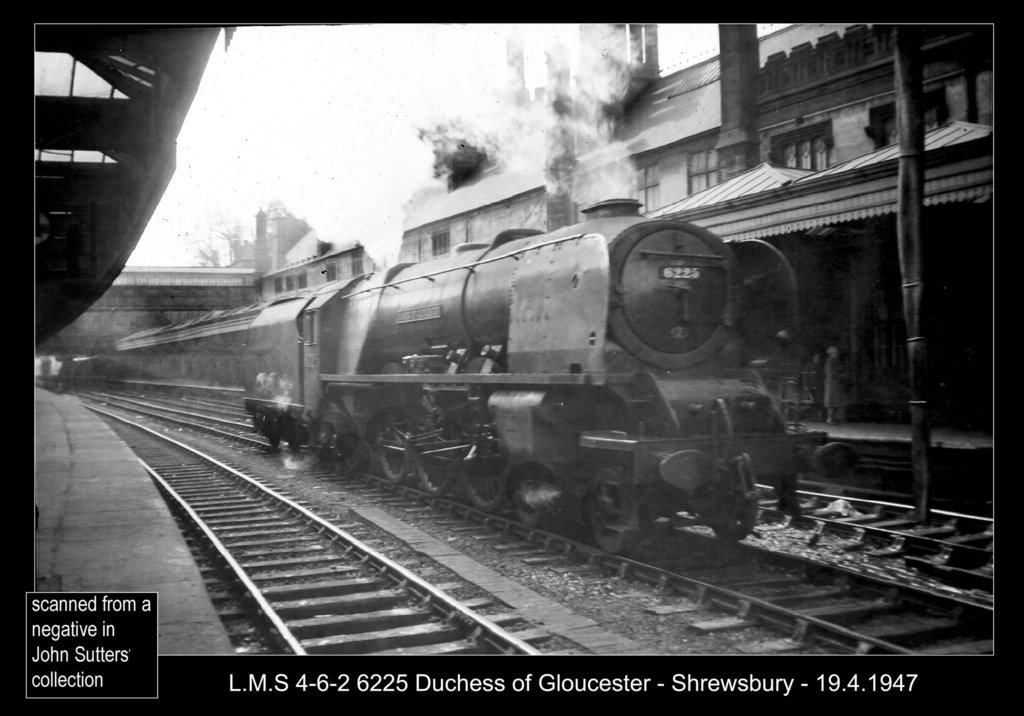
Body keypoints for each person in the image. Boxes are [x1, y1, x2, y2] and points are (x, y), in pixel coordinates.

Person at [823, 345, 847, 425]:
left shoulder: (834, 360)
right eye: (835, 350)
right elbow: (831, 373)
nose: (837, 351)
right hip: (833, 384)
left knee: (835, 402)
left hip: (834, 383)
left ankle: (833, 419)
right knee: (832, 402)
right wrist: (841, 376)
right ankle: (830, 419)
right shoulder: (831, 360)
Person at [801, 352, 824, 422]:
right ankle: (812, 417)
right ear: (813, 357)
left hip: (817, 386)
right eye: (816, 357)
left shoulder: (819, 366)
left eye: (818, 357)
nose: (817, 358)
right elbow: (805, 376)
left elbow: (820, 376)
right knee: (812, 402)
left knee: (818, 402)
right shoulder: (809, 365)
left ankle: (817, 417)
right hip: (811, 386)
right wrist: (806, 386)